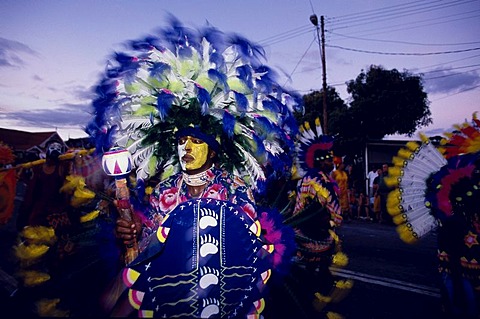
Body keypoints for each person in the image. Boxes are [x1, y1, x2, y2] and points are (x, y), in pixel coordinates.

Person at [86, 16, 302, 318]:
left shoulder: (234, 191)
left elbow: (245, 252)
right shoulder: (164, 191)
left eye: (196, 142)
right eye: (181, 140)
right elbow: (151, 250)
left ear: (213, 152)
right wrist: (132, 235)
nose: (185, 148)